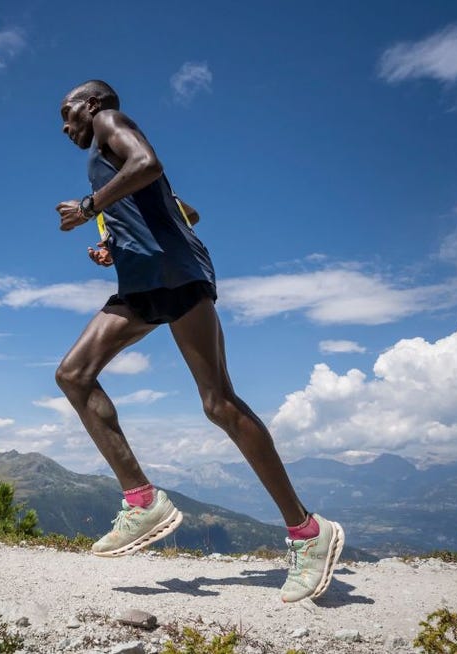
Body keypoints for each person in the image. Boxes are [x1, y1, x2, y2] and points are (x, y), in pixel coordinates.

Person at [54, 79, 344, 603]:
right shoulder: (106, 152)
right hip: (144, 284)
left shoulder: (110, 126)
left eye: (67, 111)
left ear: (92, 104)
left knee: (219, 403)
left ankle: (308, 532)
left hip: (177, 280)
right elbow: (183, 211)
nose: (64, 124)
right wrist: (116, 243)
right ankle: (142, 501)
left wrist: (89, 206)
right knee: (73, 374)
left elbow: (149, 165)